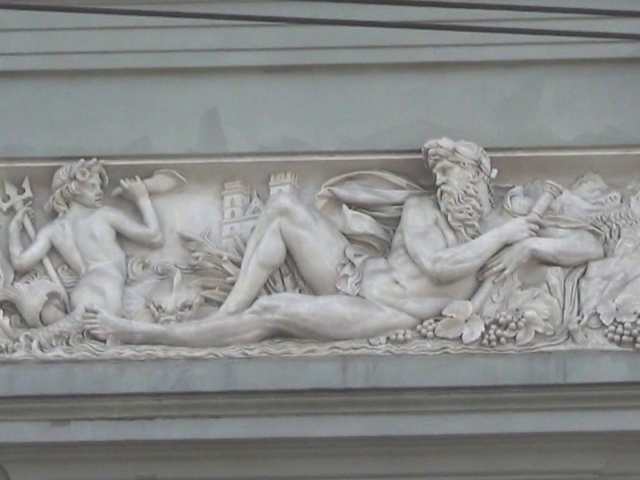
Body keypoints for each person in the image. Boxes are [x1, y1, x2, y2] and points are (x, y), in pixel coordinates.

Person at [83, 139, 605, 347]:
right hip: (355, 272)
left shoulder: (505, 222)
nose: (443, 181)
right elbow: (437, 264)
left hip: (383, 312)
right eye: (440, 173)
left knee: (275, 310)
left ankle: (146, 335)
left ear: (479, 177)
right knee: (284, 208)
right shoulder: (426, 209)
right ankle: (221, 317)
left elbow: (591, 246)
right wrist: (504, 236)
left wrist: (531, 245)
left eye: (452, 172)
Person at [2, 158, 163, 333]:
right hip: (106, 288)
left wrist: (14, 230)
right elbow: (154, 237)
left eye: (100, 186)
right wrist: (142, 197)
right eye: (92, 186)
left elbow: (20, 262)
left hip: (84, 292)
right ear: (73, 189)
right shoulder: (104, 215)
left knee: (88, 336)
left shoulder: (54, 229)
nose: (99, 191)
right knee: (132, 334)